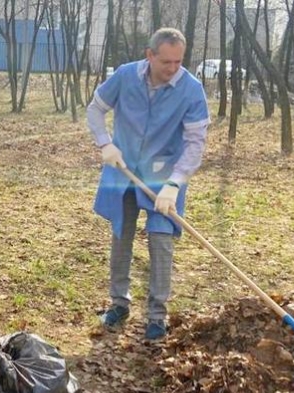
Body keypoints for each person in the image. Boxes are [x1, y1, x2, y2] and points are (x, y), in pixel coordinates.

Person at [86, 28, 210, 340]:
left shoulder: (191, 89)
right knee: (121, 235)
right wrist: (105, 143)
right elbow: (95, 109)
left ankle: (157, 317)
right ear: (150, 55)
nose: (173, 68)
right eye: (166, 61)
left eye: (179, 61)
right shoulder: (125, 76)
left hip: (164, 176)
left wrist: (174, 184)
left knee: (161, 241)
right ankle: (119, 305)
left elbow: (195, 143)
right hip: (124, 169)